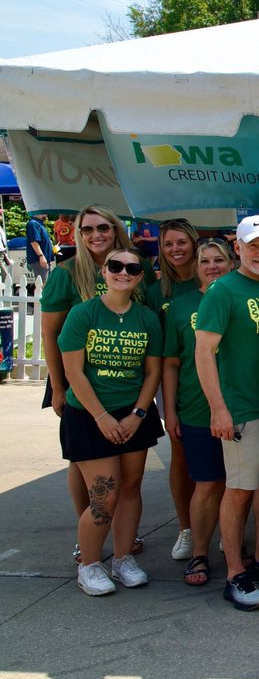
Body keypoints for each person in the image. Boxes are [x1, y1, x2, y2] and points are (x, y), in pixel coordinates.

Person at [195, 214, 259, 612]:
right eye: (253, 245)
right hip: (242, 409)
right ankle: (235, 572)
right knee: (238, 492)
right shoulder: (222, 291)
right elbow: (204, 354)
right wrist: (218, 408)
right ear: (237, 247)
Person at [41, 206, 147, 563]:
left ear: (115, 229)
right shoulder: (67, 273)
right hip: (76, 379)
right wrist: (57, 387)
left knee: (125, 480)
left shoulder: (134, 266)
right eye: (87, 229)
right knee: (83, 461)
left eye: (103, 227)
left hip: (125, 381)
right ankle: (86, 535)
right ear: (78, 234)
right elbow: (50, 332)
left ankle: (121, 540)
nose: (95, 235)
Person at [60, 248, 163, 595]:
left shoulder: (147, 318)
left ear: (139, 276)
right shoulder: (83, 314)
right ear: (104, 271)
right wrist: (101, 416)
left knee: (132, 488)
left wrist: (138, 414)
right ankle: (89, 565)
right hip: (89, 414)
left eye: (132, 268)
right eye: (115, 266)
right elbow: (73, 371)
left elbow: (152, 372)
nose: (123, 272)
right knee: (105, 494)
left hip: (133, 413)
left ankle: (122, 558)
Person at [162, 239, 234, 586]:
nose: (212, 266)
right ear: (196, 267)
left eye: (219, 259)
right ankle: (200, 552)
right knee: (206, 484)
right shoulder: (180, 307)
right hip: (194, 409)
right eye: (205, 260)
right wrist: (170, 411)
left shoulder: (244, 296)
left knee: (240, 486)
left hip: (244, 407)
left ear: (231, 263)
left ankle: (234, 544)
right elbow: (171, 364)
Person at [143, 218, 203, 562]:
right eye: (168, 244)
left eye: (182, 242)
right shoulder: (156, 292)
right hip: (175, 384)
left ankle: (225, 527)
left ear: (193, 243)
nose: (176, 249)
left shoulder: (212, 280)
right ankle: (187, 527)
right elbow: (157, 351)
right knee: (180, 454)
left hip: (216, 381)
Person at [25, 212, 53, 288]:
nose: (47, 213)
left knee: (46, 285)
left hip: (44, 259)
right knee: (42, 286)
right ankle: (39, 300)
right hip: (39, 260)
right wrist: (41, 256)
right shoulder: (33, 223)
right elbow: (34, 241)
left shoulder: (39, 223)